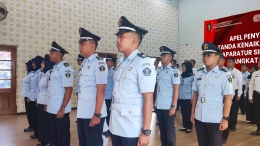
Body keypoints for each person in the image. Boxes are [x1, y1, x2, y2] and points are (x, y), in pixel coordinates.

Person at [109, 16, 156, 146]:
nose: (117, 40)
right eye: (117, 36)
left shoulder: (143, 63)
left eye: (121, 36)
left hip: (132, 127)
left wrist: (146, 131)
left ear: (134, 41)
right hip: (116, 124)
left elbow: (148, 99)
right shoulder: (121, 64)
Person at [191, 42, 233, 146]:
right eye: (204, 55)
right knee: (202, 143)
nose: (206, 58)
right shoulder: (199, 73)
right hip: (199, 116)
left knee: (215, 144)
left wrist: (225, 119)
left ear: (217, 57)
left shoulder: (224, 75)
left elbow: (228, 98)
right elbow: (195, 95)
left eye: (209, 55)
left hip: (215, 118)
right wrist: (192, 113)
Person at [77, 27, 108, 146]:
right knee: (84, 142)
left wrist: (96, 115)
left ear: (92, 46)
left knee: (93, 143)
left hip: (93, 112)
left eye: (83, 44)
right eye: (79, 44)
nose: (80, 47)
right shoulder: (84, 63)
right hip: (83, 111)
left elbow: (101, 91)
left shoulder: (99, 64)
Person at [47, 41, 74, 146]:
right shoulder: (55, 69)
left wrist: (62, 108)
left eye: (52, 52)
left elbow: (68, 89)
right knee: (54, 134)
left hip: (60, 108)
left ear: (58, 54)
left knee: (63, 135)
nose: (50, 54)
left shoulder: (66, 69)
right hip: (52, 107)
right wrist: (47, 104)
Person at [156, 46, 180, 146]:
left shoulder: (174, 71)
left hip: (168, 105)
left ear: (170, 57)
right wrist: (154, 102)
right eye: (161, 55)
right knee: (162, 129)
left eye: (164, 55)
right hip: (159, 104)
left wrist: (173, 106)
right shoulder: (159, 70)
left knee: (169, 129)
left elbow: (176, 89)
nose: (162, 57)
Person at [36, 54, 54, 146]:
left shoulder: (50, 73)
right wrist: (38, 100)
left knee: (46, 122)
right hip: (41, 101)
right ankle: (43, 141)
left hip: (46, 102)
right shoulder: (45, 73)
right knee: (42, 122)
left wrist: (47, 103)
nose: (41, 65)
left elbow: (49, 90)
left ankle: (48, 141)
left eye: (42, 63)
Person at [28, 55, 44, 139]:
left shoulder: (41, 73)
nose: (33, 64)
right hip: (33, 96)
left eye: (34, 63)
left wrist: (37, 98)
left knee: (37, 117)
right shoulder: (36, 72)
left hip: (37, 97)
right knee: (34, 116)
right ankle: (36, 132)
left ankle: (38, 133)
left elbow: (39, 87)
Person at [226, 58, 242, 131]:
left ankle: (233, 125)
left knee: (234, 110)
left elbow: (239, 84)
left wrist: (239, 94)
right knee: (226, 109)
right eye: (227, 62)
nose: (228, 63)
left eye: (230, 62)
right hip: (226, 93)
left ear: (233, 63)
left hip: (234, 93)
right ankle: (227, 124)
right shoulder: (225, 71)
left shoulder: (237, 72)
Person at [102, 54, 117, 137]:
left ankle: (110, 130)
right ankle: (106, 128)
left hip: (110, 96)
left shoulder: (114, 72)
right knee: (105, 113)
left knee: (109, 114)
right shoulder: (106, 71)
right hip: (105, 96)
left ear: (112, 62)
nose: (106, 62)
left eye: (107, 61)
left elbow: (115, 85)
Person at [179, 61, 194, 133]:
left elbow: (193, 89)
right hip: (181, 97)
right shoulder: (181, 76)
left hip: (188, 98)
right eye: (182, 66)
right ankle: (185, 126)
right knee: (183, 112)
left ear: (188, 67)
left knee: (188, 113)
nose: (183, 68)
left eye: (184, 66)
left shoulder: (192, 77)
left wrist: (192, 98)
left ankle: (189, 127)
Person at [21, 59, 35, 132]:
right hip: (26, 95)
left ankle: (32, 125)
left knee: (30, 111)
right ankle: (31, 125)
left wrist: (29, 96)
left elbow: (31, 86)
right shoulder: (28, 74)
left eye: (26, 66)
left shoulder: (32, 74)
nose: (25, 67)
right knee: (28, 111)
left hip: (29, 96)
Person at [249, 60, 260, 135]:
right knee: (257, 113)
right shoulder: (255, 73)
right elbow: (251, 85)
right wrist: (250, 96)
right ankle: (259, 129)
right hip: (257, 95)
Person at [75, 54, 84, 123]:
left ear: (81, 60)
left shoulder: (84, 68)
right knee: (79, 105)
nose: (77, 61)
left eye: (78, 60)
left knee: (82, 105)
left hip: (82, 91)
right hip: (79, 90)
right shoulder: (80, 68)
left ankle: (81, 118)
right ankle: (79, 118)